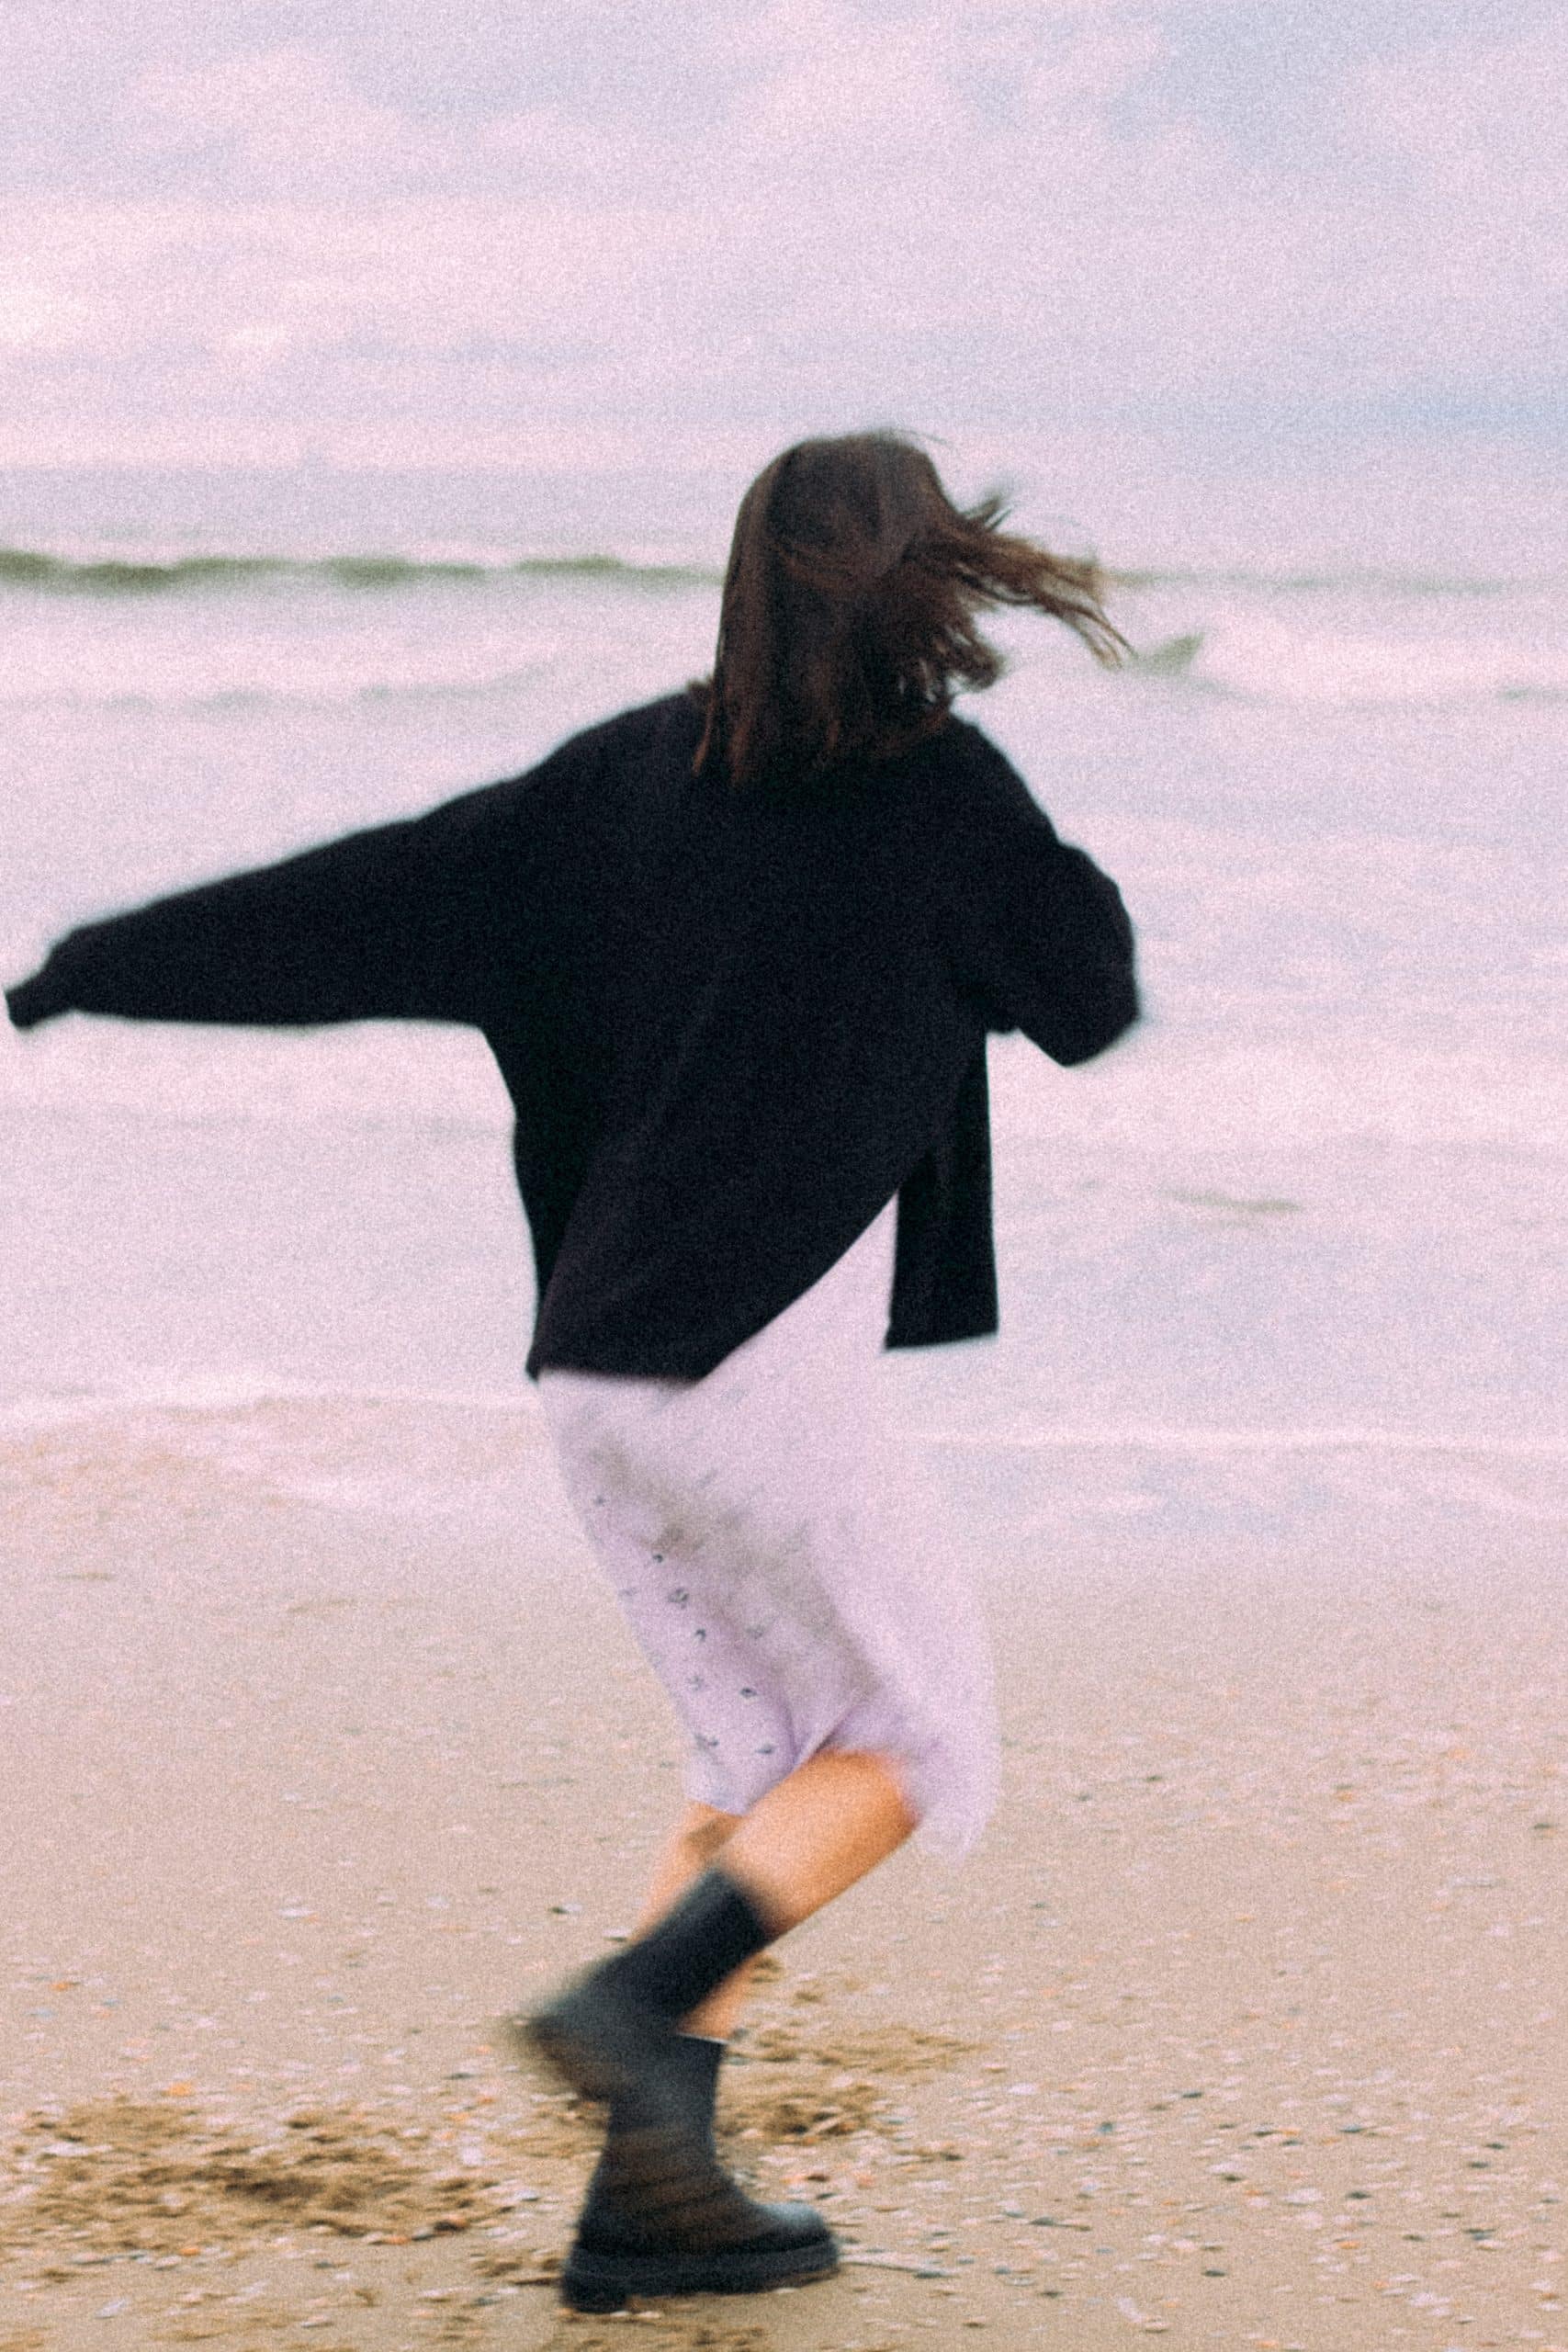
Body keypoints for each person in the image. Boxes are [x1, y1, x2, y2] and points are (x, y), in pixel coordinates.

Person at [6, 429, 1140, 2313]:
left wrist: (81, 963)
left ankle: (651, 2193)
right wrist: (1028, 844)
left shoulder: (628, 775)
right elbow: (1085, 997)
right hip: (754, 1360)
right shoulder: (942, 796)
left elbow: (365, 900)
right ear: (929, 581)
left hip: (598, 1371)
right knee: (919, 1739)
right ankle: (626, 2012)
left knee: (756, 1763)